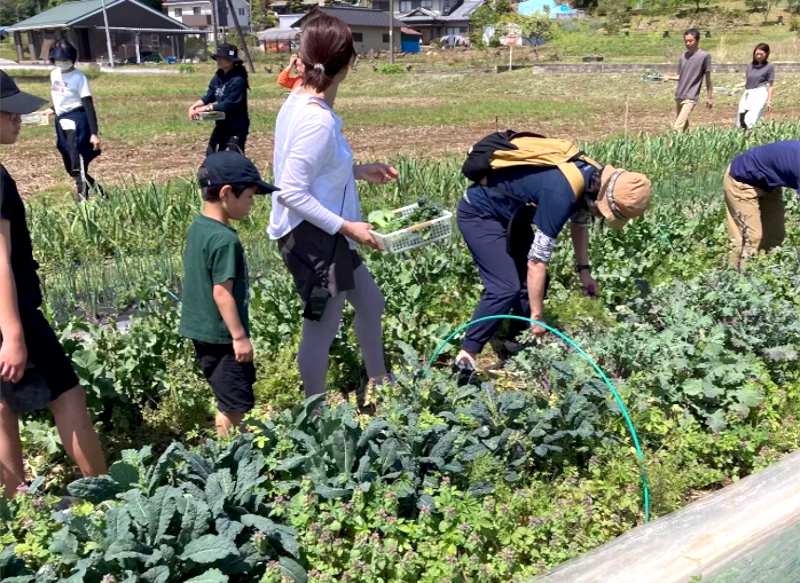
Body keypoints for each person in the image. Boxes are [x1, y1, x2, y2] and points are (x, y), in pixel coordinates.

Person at [268, 14, 397, 399]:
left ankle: (380, 380)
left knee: (371, 303)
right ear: (349, 65)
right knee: (322, 325)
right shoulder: (316, 121)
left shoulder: (300, 99)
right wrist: (347, 226)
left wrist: (357, 171)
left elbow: (314, 168)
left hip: (325, 232)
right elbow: (291, 190)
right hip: (311, 238)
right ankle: (315, 413)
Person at [0, 70, 107, 497]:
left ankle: (15, 504)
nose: (17, 120)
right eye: (8, 113)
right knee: (67, 394)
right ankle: (102, 496)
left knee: (3, 404)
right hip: (13, 312)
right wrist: (12, 333)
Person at [454, 149, 651, 377]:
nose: (601, 216)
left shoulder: (590, 176)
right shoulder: (561, 193)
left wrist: (584, 272)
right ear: (605, 197)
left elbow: (580, 223)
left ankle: (513, 340)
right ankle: (467, 354)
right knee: (505, 286)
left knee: (535, 284)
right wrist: (537, 317)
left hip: (513, 216)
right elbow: (536, 262)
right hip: (480, 213)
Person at [180, 150, 276, 437]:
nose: (251, 205)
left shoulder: (199, 227)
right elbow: (222, 293)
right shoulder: (225, 240)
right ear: (226, 193)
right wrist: (240, 337)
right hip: (223, 337)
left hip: (203, 331)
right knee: (234, 404)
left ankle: (232, 446)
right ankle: (231, 454)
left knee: (228, 397)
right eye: (248, 197)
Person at [723, 140, 799, 270]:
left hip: (769, 183)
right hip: (741, 180)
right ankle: (738, 279)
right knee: (750, 239)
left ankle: (766, 278)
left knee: (774, 238)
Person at [46, 40, 103, 201]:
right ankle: (100, 191)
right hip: (61, 122)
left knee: (78, 162)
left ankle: (82, 200)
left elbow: (87, 105)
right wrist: (52, 110)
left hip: (77, 122)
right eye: (59, 60)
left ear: (73, 59)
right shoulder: (54, 74)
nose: (63, 63)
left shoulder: (79, 78)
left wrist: (94, 133)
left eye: (66, 60)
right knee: (70, 165)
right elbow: (61, 98)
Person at [188, 44, 250, 154]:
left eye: (223, 58)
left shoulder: (238, 79)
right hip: (222, 122)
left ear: (231, 61)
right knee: (211, 153)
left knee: (232, 157)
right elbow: (209, 95)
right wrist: (194, 106)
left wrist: (204, 109)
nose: (219, 60)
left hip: (236, 126)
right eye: (218, 57)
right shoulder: (218, 76)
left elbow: (228, 104)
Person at [665, 28, 714, 132]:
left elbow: (708, 79)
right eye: (686, 41)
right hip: (679, 95)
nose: (687, 43)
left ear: (697, 40)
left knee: (677, 127)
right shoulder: (683, 56)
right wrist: (668, 77)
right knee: (684, 128)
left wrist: (710, 97)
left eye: (690, 41)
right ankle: (688, 146)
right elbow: (680, 76)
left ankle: (672, 147)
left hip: (690, 97)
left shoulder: (704, 56)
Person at [737, 43, 775, 130]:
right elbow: (748, 80)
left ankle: (749, 136)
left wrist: (769, 100)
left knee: (751, 117)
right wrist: (739, 85)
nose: (758, 56)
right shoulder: (750, 66)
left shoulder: (769, 67)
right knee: (741, 116)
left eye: (761, 54)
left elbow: (771, 85)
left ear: (766, 54)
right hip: (748, 92)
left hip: (760, 93)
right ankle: (741, 137)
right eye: (757, 54)